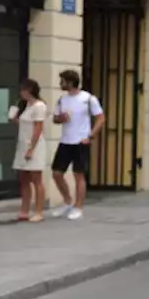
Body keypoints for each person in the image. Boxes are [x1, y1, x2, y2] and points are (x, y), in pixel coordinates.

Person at [50, 70, 104, 220]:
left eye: (62, 81)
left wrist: (91, 135)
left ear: (70, 82)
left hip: (80, 141)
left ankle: (78, 207)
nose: (60, 84)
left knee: (78, 175)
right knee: (56, 173)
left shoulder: (88, 99)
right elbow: (55, 119)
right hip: (65, 141)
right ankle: (67, 201)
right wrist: (61, 118)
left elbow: (100, 118)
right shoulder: (62, 100)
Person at [10, 79, 48, 223]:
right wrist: (15, 118)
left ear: (30, 90)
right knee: (24, 179)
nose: (21, 93)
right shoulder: (26, 105)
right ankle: (24, 210)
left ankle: (39, 211)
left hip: (34, 145)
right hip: (22, 144)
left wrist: (31, 149)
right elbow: (24, 124)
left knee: (36, 179)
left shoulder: (39, 106)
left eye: (23, 90)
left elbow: (38, 129)